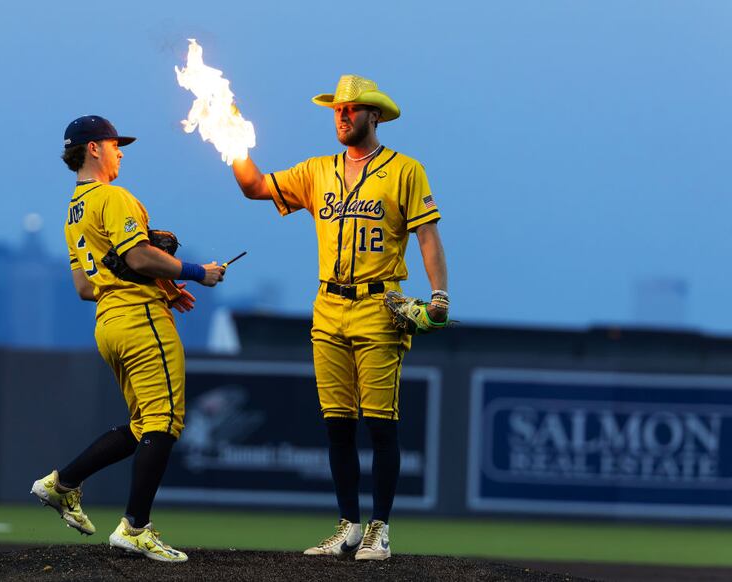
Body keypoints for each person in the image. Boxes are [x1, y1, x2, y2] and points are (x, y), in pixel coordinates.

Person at [230, 75, 449, 561]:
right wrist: (229, 136)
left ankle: (380, 529)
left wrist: (438, 294)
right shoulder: (316, 171)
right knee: (336, 424)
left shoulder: (405, 170)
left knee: (380, 424)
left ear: (375, 115)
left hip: (380, 304)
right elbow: (253, 187)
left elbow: (427, 237)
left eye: (352, 109)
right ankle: (349, 524)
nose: (343, 115)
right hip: (328, 304)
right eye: (337, 109)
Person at [31, 115, 225, 563]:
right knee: (165, 421)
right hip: (140, 322)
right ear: (93, 148)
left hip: (108, 323)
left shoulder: (73, 213)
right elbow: (138, 254)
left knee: (143, 425)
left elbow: (85, 288)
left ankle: (61, 484)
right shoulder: (112, 197)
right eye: (115, 144)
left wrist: (160, 285)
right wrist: (197, 273)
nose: (120, 151)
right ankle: (135, 528)